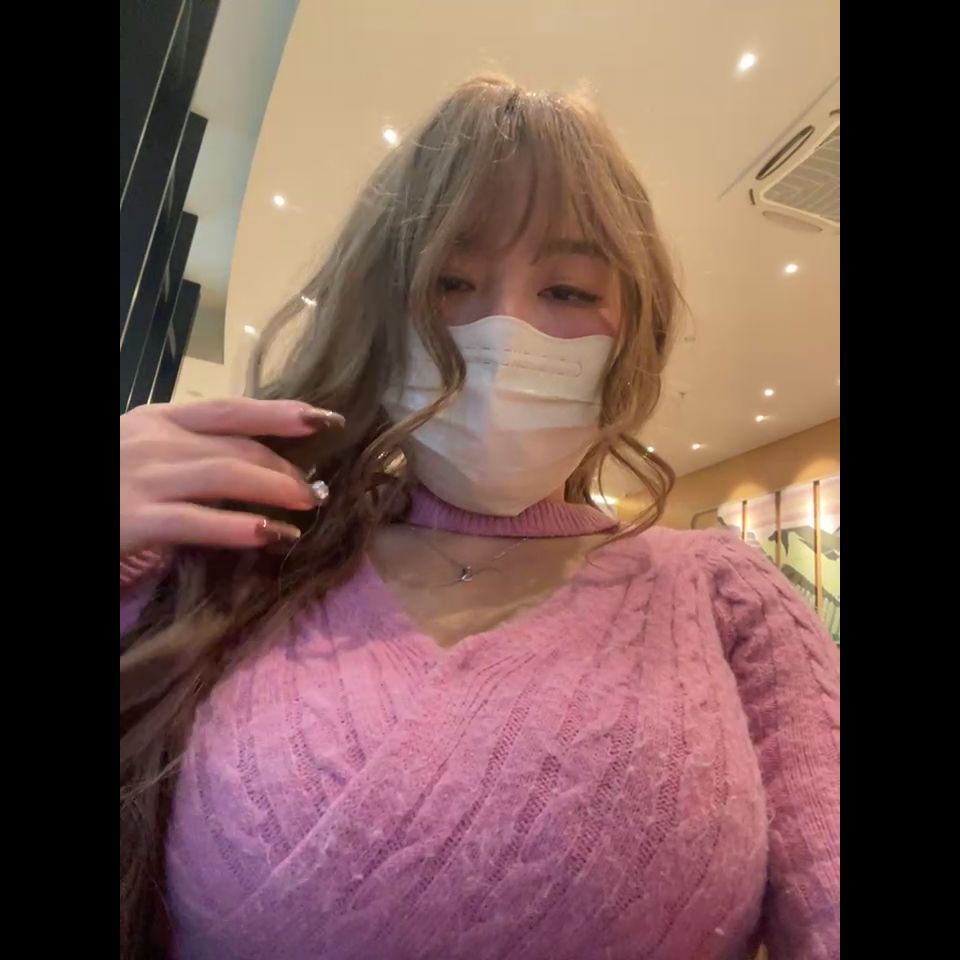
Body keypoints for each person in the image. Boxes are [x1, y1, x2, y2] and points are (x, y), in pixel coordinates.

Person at [120, 76, 840, 960]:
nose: (504, 332)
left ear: (635, 334)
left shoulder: (726, 596)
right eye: (450, 282)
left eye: (567, 292)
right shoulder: (236, 563)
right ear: (380, 314)